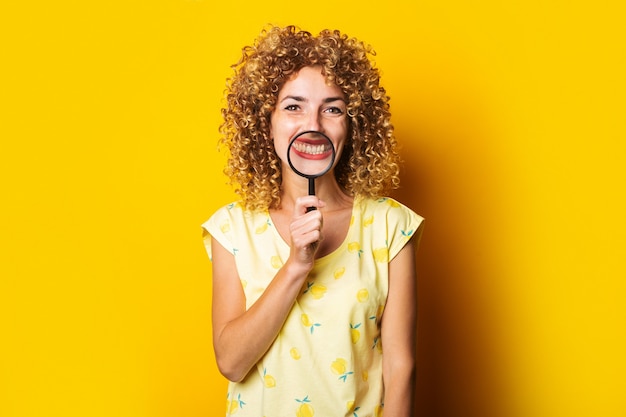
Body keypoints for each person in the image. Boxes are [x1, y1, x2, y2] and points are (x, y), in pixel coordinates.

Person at [202, 25, 424, 417]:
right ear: (265, 122)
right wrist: (296, 265)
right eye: (293, 106)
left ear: (352, 127)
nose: (314, 124)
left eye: (333, 108)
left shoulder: (390, 226)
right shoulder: (231, 230)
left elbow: (400, 367)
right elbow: (231, 362)